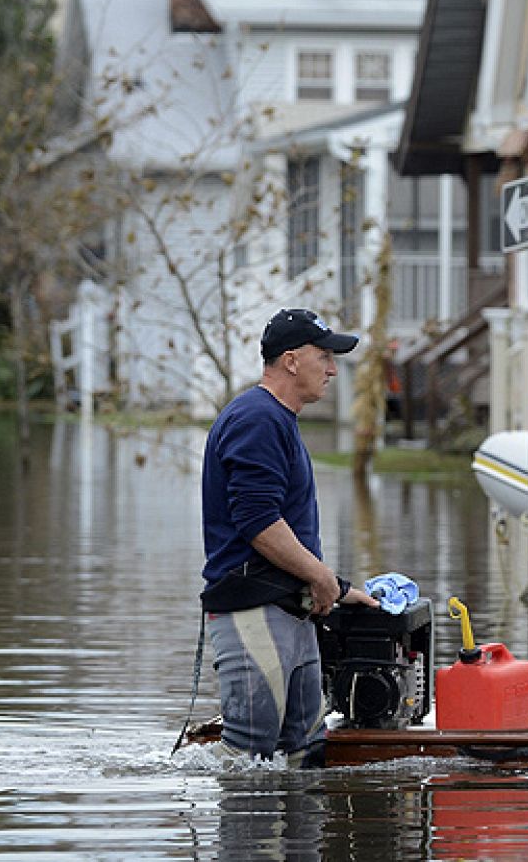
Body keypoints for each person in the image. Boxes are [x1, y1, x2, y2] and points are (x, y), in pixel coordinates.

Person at [199, 308, 379, 767]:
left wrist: (339, 589)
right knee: (250, 761)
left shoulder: (278, 419)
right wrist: (324, 580)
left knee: (305, 755)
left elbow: (279, 524)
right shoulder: (257, 419)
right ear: (292, 361)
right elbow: (259, 523)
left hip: (289, 611)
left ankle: (300, 843)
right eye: (326, 357)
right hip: (253, 610)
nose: (334, 369)